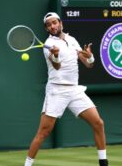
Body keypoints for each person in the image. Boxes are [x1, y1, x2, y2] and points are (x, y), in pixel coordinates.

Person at [24, 12, 108, 166]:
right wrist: (55, 55)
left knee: (98, 123)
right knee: (43, 133)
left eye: (54, 22)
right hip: (57, 91)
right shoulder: (48, 45)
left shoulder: (72, 40)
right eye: (48, 25)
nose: (52, 26)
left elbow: (89, 64)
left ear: (60, 23)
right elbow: (56, 66)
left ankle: (103, 163)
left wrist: (90, 56)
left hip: (75, 90)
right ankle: (27, 165)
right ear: (47, 29)